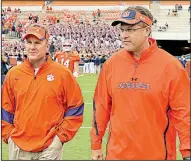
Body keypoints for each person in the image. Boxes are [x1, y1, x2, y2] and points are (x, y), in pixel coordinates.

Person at [90, 6, 190, 160]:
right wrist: (96, 145)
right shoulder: (111, 64)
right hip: (116, 155)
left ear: (147, 30)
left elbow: (184, 112)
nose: (124, 35)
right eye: (122, 30)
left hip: (157, 155)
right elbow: (101, 107)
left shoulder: (171, 66)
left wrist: (187, 151)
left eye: (130, 30)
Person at [2, 23, 84, 160]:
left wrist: (59, 138)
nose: (32, 47)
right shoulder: (14, 74)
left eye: (37, 43)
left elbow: (76, 107)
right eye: (29, 42)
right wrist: (9, 135)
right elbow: (5, 108)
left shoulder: (63, 74)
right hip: (18, 146)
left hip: (49, 147)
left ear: (47, 45)